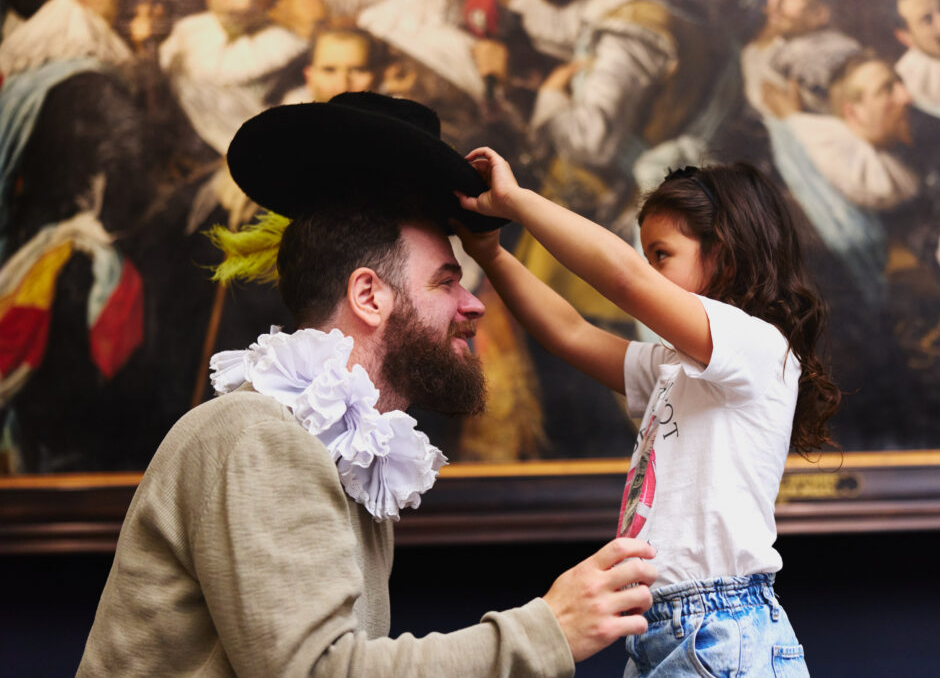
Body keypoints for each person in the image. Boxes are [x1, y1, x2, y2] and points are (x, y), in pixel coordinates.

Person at [77, 92, 657, 676]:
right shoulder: (260, 436)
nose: (473, 304)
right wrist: (549, 629)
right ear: (368, 296)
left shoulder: (333, 457)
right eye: (446, 281)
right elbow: (317, 671)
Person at [455, 147, 841, 677]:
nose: (649, 270)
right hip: (664, 627)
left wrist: (517, 202)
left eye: (661, 255)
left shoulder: (758, 347)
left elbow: (625, 280)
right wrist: (493, 256)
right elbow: (570, 332)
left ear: (725, 257)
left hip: (720, 629)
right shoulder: (673, 368)